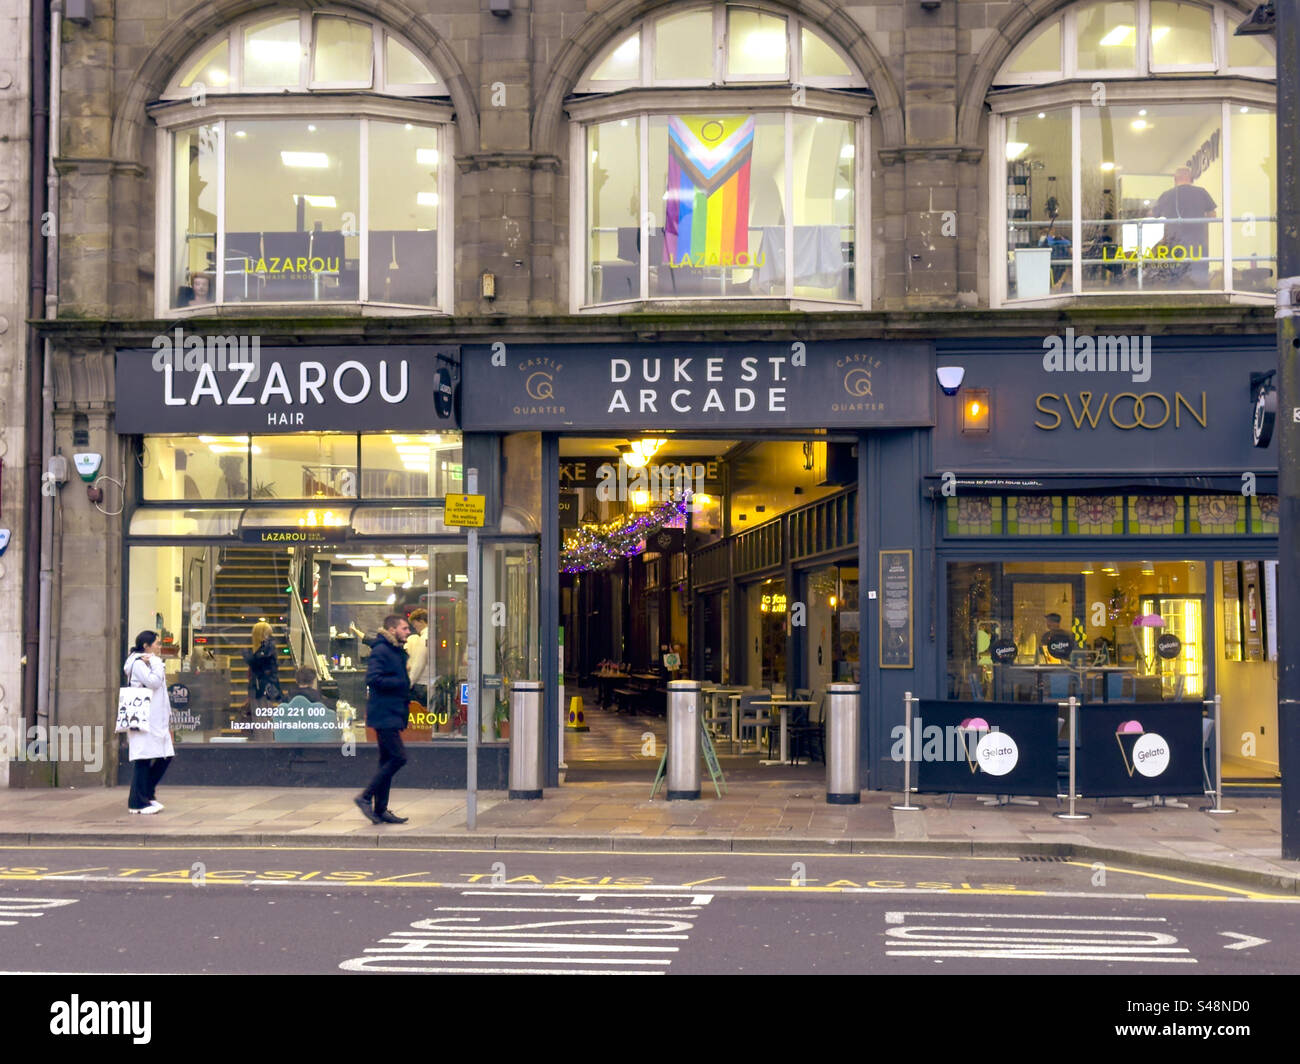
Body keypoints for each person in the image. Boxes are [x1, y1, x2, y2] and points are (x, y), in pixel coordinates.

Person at [355, 614, 412, 825]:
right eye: (404, 628)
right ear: (392, 629)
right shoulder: (381, 650)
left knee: (386, 760)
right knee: (399, 757)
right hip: (384, 714)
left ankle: (380, 810)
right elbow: (372, 679)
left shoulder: (395, 650)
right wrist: (400, 681)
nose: (408, 632)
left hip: (392, 712)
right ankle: (365, 797)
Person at [122, 630, 175, 814]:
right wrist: (156, 662)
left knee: (165, 755)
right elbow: (154, 682)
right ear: (146, 646)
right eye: (157, 644)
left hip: (155, 719)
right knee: (143, 760)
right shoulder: (138, 663)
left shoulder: (147, 662)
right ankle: (138, 802)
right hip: (144, 719)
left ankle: (147, 795)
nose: (159, 647)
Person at [1152, 166, 1217, 287]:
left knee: (1174, 278)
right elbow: (1213, 215)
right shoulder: (1201, 192)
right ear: (1190, 178)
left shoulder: (1167, 195)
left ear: (1175, 179)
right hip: (1197, 243)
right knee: (1200, 279)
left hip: (1174, 243)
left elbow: (1154, 215)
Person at [242, 621, 282, 707]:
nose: (269, 637)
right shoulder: (262, 649)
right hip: (259, 685)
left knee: (262, 709)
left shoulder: (267, 648)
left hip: (263, 685)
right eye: (268, 634)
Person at [405, 608, 430, 706]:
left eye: (415, 624)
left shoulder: (423, 638)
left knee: (417, 715)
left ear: (421, 621)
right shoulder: (432, 636)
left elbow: (419, 663)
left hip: (421, 685)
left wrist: (409, 683)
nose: (414, 627)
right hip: (428, 684)